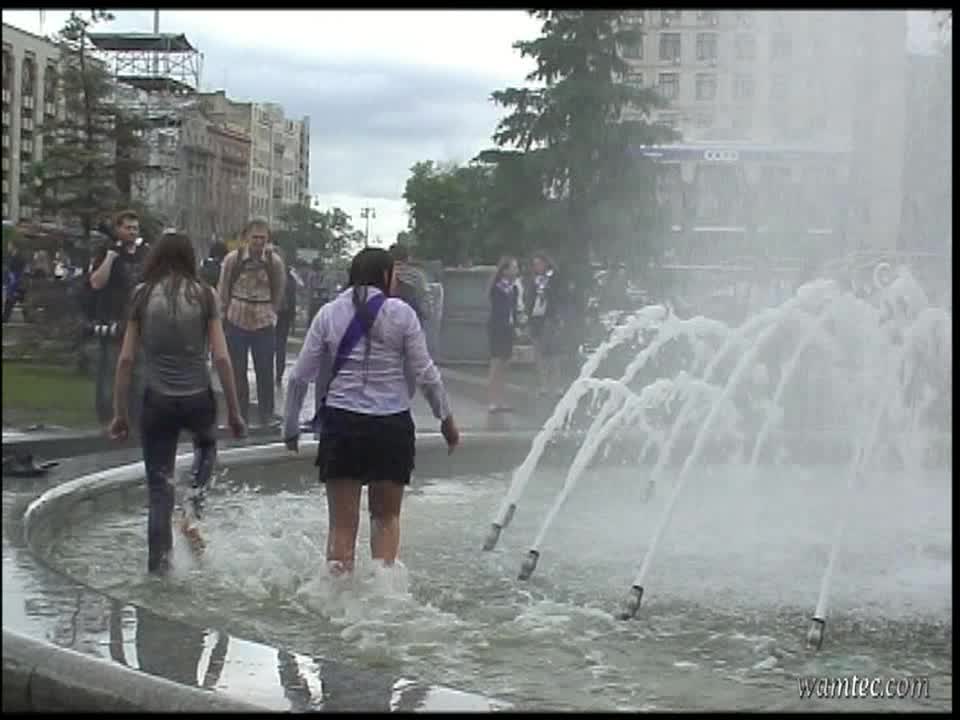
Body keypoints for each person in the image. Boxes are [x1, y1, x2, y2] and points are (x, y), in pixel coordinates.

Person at [282, 247, 460, 575]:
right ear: (385, 276)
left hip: (342, 424)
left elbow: (299, 377)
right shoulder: (402, 314)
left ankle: (336, 594)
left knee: (342, 525)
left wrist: (291, 426)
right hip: (391, 426)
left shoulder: (328, 314)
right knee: (386, 518)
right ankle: (384, 591)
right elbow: (426, 374)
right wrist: (446, 420)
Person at [109, 231, 246, 575]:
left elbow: (126, 360)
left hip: (157, 401)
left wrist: (119, 414)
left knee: (159, 489)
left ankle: (159, 572)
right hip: (198, 399)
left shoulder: (141, 296)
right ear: (190, 258)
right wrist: (234, 412)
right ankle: (192, 511)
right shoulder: (205, 295)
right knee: (206, 452)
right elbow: (221, 358)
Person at [217, 218, 286, 427]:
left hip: (263, 319)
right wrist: (222, 315)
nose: (258, 242)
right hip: (236, 318)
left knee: (265, 370)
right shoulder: (233, 259)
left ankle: (267, 414)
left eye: (262, 238)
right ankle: (240, 414)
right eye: (255, 237)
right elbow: (223, 287)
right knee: (237, 371)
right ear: (246, 237)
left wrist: (272, 312)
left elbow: (279, 289)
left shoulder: (274, 262)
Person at [89, 210, 150, 425]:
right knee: (110, 374)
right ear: (118, 229)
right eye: (128, 228)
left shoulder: (145, 253)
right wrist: (110, 258)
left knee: (140, 376)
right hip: (113, 323)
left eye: (135, 228)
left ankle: (135, 419)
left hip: (140, 324)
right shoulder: (107, 252)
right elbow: (96, 283)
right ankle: (108, 420)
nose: (132, 232)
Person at [525, 251, 568, 397]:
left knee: (554, 353)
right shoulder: (533, 280)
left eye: (540, 263)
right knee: (539, 353)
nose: (537, 266)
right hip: (536, 318)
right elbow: (529, 298)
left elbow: (559, 296)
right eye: (535, 264)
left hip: (550, 318)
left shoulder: (554, 277)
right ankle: (543, 384)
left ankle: (556, 384)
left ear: (546, 263)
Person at [487, 256, 520, 413]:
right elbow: (498, 310)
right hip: (497, 329)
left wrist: (516, 326)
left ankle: (501, 399)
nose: (516, 270)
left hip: (509, 328)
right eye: (513, 267)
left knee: (506, 365)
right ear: (505, 270)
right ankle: (492, 400)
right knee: (496, 364)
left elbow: (514, 309)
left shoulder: (514, 289)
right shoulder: (497, 288)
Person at [274, 247, 301, 388]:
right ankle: (278, 374)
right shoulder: (290, 276)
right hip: (283, 314)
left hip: (274, 314)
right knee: (280, 345)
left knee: (272, 345)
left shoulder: (274, 274)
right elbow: (293, 298)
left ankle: (276, 374)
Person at [388, 242, 429, 323]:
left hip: (388, 320)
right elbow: (425, 302)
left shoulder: (384, 275)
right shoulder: (418, 275)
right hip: (413, 320)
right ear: (407, 258)